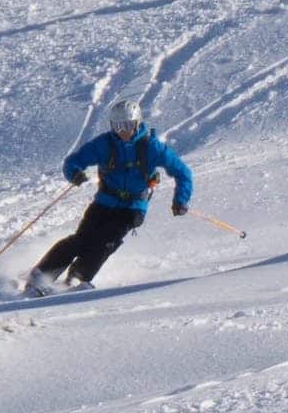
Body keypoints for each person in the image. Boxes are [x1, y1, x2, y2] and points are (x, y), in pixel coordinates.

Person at [27, 98, 193, 295]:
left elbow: (183, 173)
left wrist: (181, 200)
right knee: (82, 239)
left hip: (133, 207)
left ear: (137, 123)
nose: (123, 131)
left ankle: (77, 277)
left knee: (106, 241)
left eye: (128, 125)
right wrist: (75, 173)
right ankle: (42, 274)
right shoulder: (104, 144)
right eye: (118, 126)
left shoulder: (152, 148)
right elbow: (73, 162)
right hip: (104, 202)